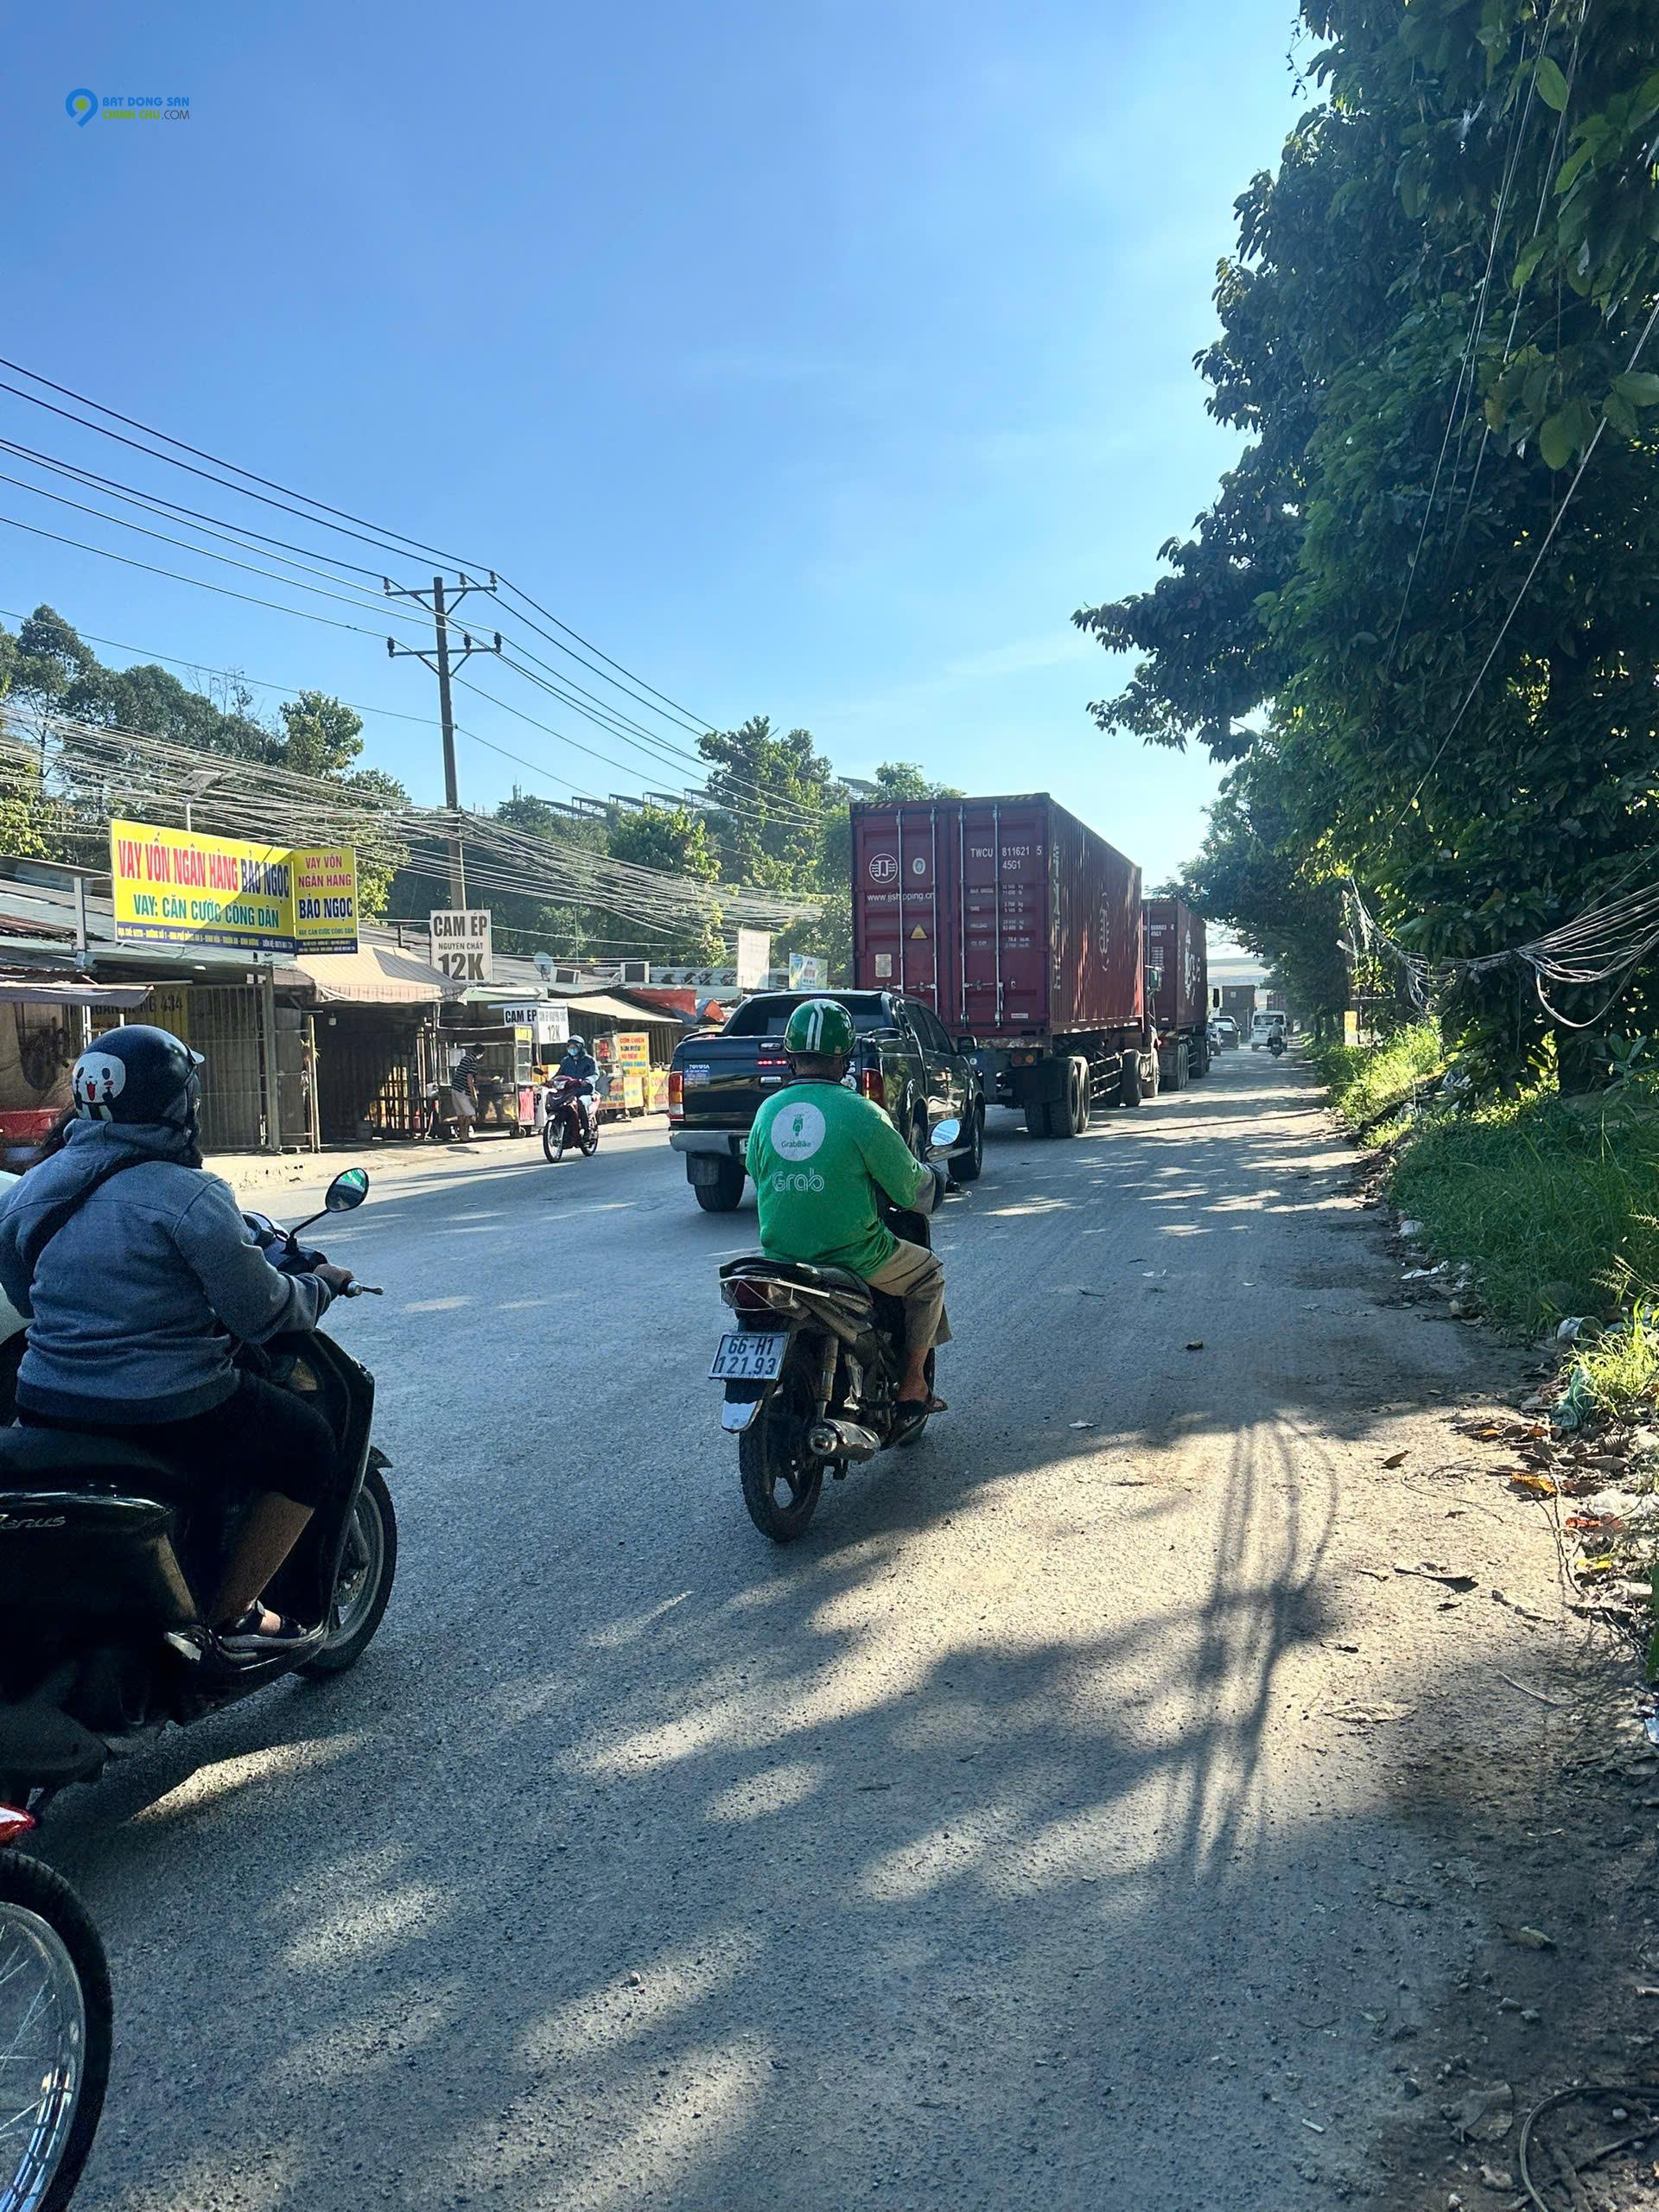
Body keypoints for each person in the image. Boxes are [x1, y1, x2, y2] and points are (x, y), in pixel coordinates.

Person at [0, 1026, 354, 1656]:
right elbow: (263, 1313)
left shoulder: (30, 1188)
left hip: (44, 1401)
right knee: (309, 1444)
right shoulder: (190, 1196)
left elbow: (28, 1297)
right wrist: (320, 1288)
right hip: (169, 1408)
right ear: (177, 1103)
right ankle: (231, 1614)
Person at [746, 998, 950, 1433]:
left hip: (779, 1257)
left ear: (791, 1054)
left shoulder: (767, 1112)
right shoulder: (861, 1113)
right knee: (929, 1276)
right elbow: (908, 1188)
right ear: (845, 1057)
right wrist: (936, 1182)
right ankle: (914, 1384)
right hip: (855, 1257)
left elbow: (756, 1171)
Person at [556, 1035, 599, 1137]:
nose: (572, 1050)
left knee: (580, 1102)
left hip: (586, 1092)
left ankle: (587, 1129)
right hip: (569, 1092)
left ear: (580, 1048)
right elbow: (559, 1075)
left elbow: (595, 1074)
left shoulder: (589, 1060)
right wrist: (550, 1081)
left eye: (574, 1047)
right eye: (570, 1047)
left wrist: (587, 1081)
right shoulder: (565, 1061)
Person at [448, 1045, 485, 1142]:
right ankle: (465, 1135)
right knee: (470, 1113)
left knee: (461, 1114)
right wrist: (473, 1095)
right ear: (481, 1054)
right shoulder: (473, 1061)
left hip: (455, 1088)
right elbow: (470, 1079)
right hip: (462, 1090)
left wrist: (487, 1078)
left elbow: (468, 1075)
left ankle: (462, 1135)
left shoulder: (465, 1059)